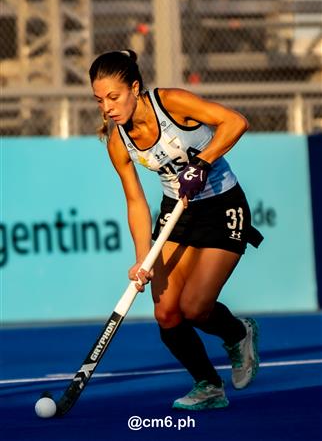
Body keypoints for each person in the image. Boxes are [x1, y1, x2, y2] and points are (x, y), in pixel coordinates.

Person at [89, 49, 263, 411]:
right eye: (100, 99)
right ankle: (208, 385)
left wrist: (201, 164)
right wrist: (142, 259)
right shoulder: (118, 142)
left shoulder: (171, 103)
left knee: (196, 308)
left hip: (222, 205)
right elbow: (135, 201)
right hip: (177, 213)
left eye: (113, 96)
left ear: (134, 88)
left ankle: (238, 334)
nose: (107, 107)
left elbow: (235, 122)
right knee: (167, 313)